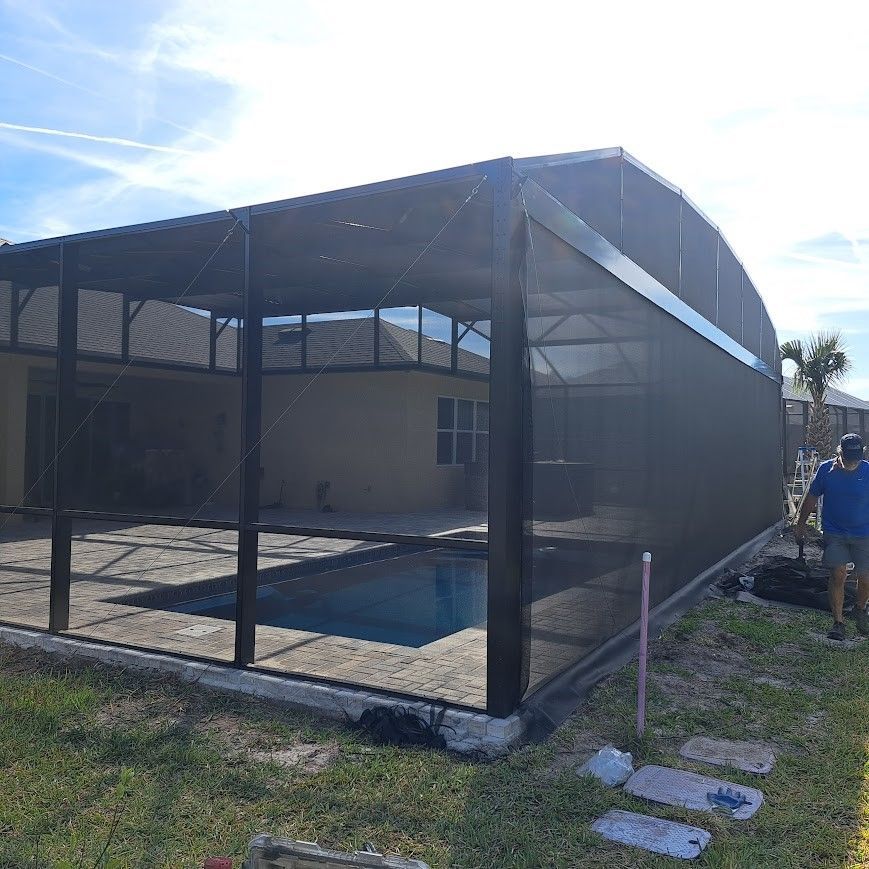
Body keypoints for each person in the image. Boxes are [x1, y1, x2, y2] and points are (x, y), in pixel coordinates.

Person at [796, 433, 869, 640]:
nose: (852, 462)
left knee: (865, 578)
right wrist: (801, 525)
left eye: (856, 457)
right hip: (835, 531)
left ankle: (860, 608)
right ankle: (838, 622)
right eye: (848, 457)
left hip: (864, 533)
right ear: (840, 452)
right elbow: (812, 497)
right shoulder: (826, 470)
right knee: (838, 574)